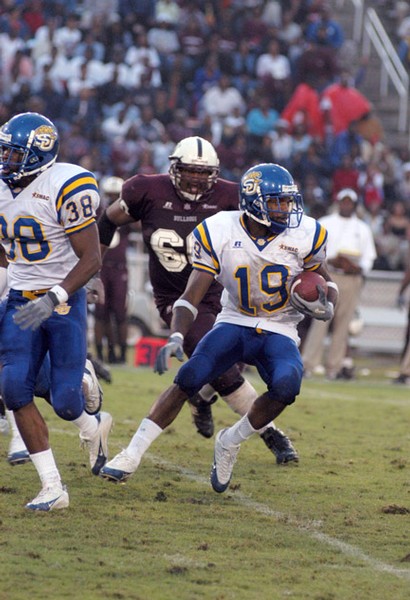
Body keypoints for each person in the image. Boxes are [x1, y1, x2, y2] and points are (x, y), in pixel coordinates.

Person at [99, 163, 337, 488]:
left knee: (287, 386)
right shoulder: (220, 229)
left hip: (279, 327)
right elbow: (191, 294)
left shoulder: (307, 233)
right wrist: (177, 334)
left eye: (288, 201)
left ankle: (230, 441)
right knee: (189, 377)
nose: (286, 209)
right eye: (277, 202)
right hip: (235, 320)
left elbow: (327, 282)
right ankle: (132, 453)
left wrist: (326, 304)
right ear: (254, 202)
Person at [0, 112, 113, 511]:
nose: (5, 160)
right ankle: (53, 486)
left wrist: (55, 296)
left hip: (63, 300)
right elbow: (5, 248)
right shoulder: (2, 188)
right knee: (14, 388)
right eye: (4, 152)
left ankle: (88, 405)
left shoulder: (66, 185)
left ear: (38, 156)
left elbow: (92, 257)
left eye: (14, 155)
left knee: (66, 402)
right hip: (20, 298)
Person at [302, 188, 377, 380]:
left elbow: (369, 257)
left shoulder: (362, 228)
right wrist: (332, 261)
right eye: (343, 201)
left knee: (343, 324)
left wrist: (358, 268)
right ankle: (309, 363)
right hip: (329, 273)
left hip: (352, 277)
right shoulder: (325, 223)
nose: (346, 205)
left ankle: (334, 367)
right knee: (320, 319)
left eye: (349, 202)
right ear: (339, 202)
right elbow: (314, 249)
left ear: (354, 204)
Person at [93, 175, 130, 364]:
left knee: (120, 312)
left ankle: (121, 354)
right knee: (101, 312)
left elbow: (139, 224)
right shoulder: (98, 211)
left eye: (116, 195)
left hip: (118, 268)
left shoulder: (126, 212)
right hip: (102, 266)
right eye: (110, 195)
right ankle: (101, 353)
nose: (112, 198)